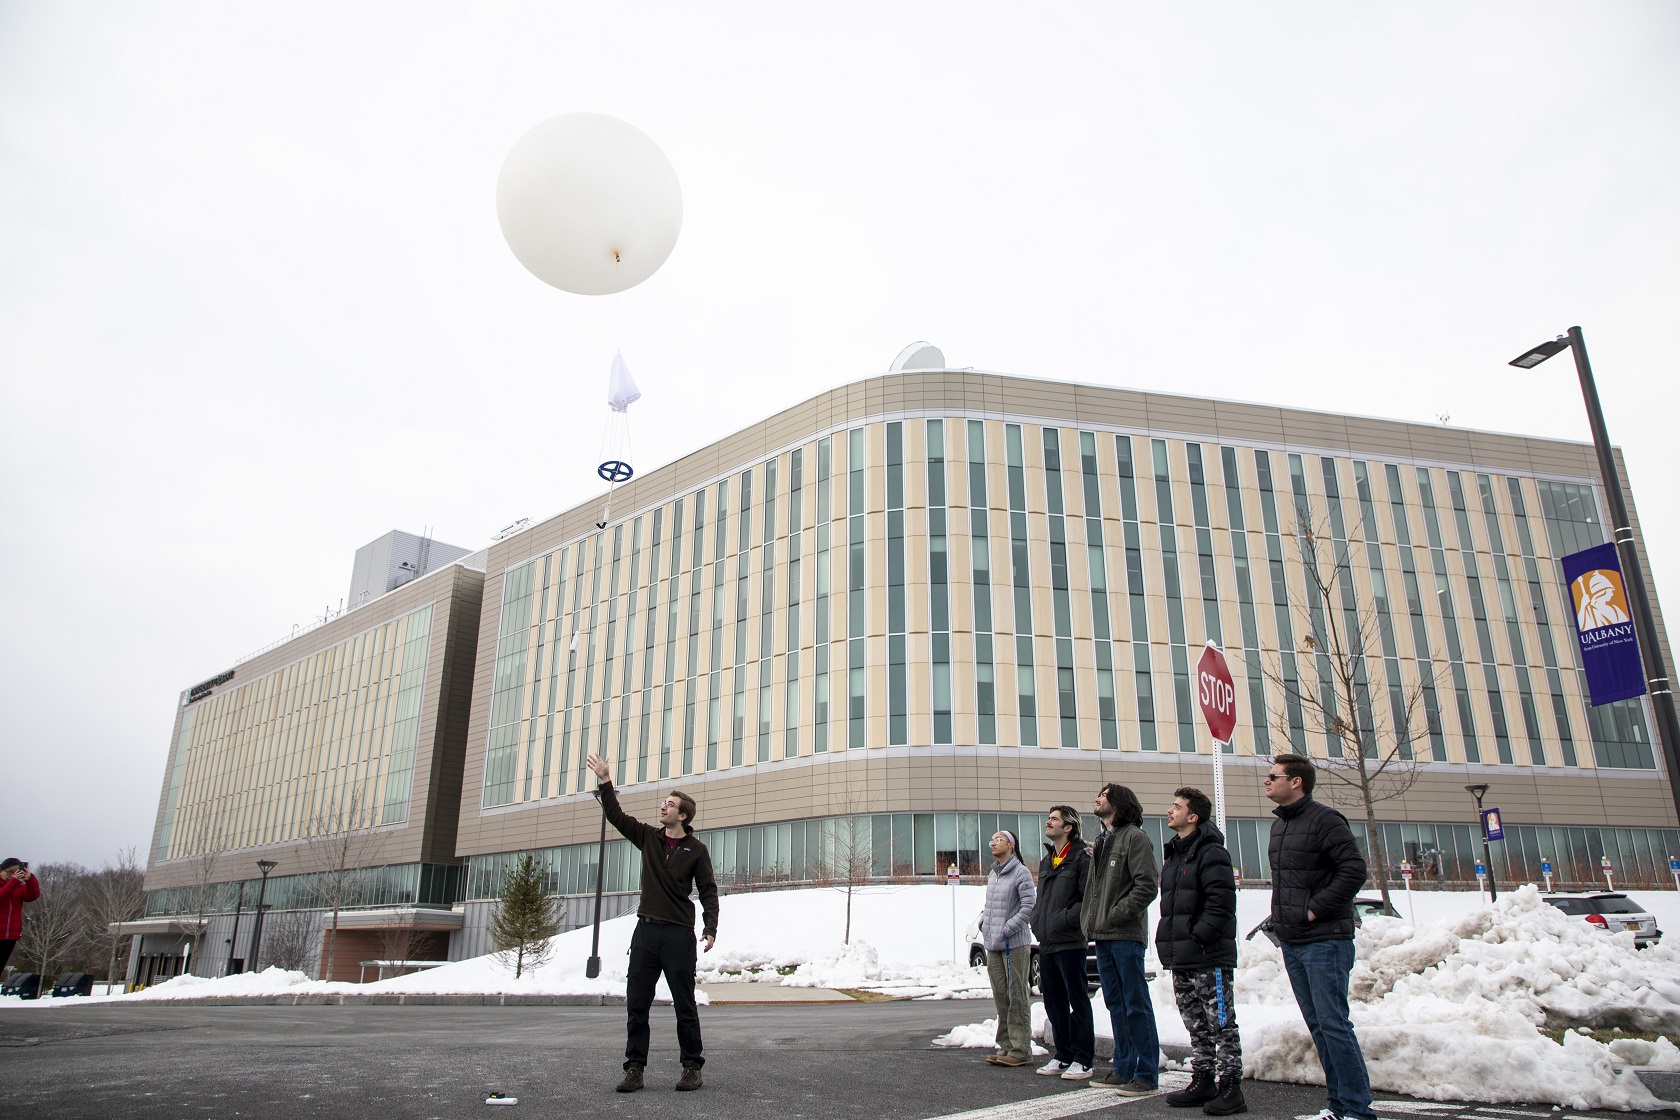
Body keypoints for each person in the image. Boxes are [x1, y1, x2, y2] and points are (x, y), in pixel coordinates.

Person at [585, 753, 719, 1094]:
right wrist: (605, 780)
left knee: (685, 1004)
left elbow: (708, 891)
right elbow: (615, 815)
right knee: (637, 1004)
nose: (663, 807)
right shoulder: (648, 838)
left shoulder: (696, 850)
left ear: (683, 814)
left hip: (677, 935)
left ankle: (692, 1067)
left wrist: (710, 927)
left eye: (669, 804)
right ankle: (634, 1069)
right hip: (646, 933)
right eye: (663, 803)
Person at [1265, 753, 1373, 1120]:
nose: (1267, 781)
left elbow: (1354, 869)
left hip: (1325, 940)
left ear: (1296, 782)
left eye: (1273, 776)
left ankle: (1358, 1110)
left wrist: (1314, 909)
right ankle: (1338, 1107)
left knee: (1334, 1024)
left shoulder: (1325, 820)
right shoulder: (1280, 826)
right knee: (1319, 1027)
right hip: (1294, 942)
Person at [1156, 788, 1245, 1115]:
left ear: (1193, 817)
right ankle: (1203, 1078)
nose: (1170, 811)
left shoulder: (1211, 852)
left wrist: (1198, 937)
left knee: (1221, 1021)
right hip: (1183, 956)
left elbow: (1220, 903)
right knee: (1196, 1023)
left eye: (1176, 807)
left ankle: (1231, 1087)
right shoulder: (1176, 853)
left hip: (1209, 956)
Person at [1084, 782, 1160, 1095]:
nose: (1097, 798)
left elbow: (1147, 886)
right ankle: (1123, 1067)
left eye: (1103, 795)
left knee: (1135, 1003)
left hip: (1125, 935)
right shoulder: (1105, 840)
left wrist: (1116, 914)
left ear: (1118, 803)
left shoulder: (1135, 838)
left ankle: (1146, 1073)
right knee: (1115, 1003)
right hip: (1103, 935)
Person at [1030, 806, 1094, 1081]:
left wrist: (1063, 920)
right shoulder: (1048, 860)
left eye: (1054, 819)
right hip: (1047, 942)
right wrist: (1038, 920)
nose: (1049, 822)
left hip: (1070, 941)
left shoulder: (1081, 858)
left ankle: (1083, 1059)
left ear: (1068, 827)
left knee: (1077, 1001)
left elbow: (1086, 899)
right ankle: (1063, 1054)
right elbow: (1041, 898)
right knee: (1053, 1001)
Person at [980, 829, 1037, 1068]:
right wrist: (984, 922)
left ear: (1011, 845)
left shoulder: (1020, 872)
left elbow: (1029, 904)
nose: (993, 843)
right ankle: (1005, 1045)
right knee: (1001, 996)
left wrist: (1008, 927)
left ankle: (1021, 1048)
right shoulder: (994, 874)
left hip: (1014, 943)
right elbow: (990, 905)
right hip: (993, 944)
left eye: (999, 840)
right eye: (992, 840)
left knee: (1017, 996)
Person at [0, 859, 39, 977]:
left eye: (16, 872)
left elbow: (32, 895)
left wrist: (30, 879)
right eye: (9, 872)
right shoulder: (13, 885)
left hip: (10, 936)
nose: (12, 875)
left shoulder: (18, 886)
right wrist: (13, 882)